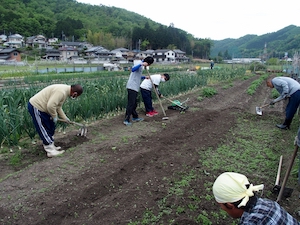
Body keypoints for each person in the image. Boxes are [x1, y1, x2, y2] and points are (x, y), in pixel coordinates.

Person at [213, 172, 300, 224]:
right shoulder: (269, 203)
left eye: (221, 206)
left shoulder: (252, 222)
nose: (222, 209)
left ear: (229, 205)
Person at [28, 84, 83, 157]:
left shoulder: (65, 92)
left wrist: (64, 118)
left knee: (50, 127)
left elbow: (58, 107)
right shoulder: (61, 92)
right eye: (76, 96)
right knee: (43, 128)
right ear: (74, 93)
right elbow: (50, 106)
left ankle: (51, 146)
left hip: (44, 109)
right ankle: (50, 151)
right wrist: (54, 116)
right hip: (37, 106)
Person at [124, 56, 154, 126]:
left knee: (135, 103)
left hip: (135, 87)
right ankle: (126, 119)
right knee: (131, 104)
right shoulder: (139, 63)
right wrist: (141, 64)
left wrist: (144, 77)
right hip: (132, 86)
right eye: (149, 64)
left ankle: (135, 117)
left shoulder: (141, 65)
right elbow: (133, 70)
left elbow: (137, 76)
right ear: (148, 63)